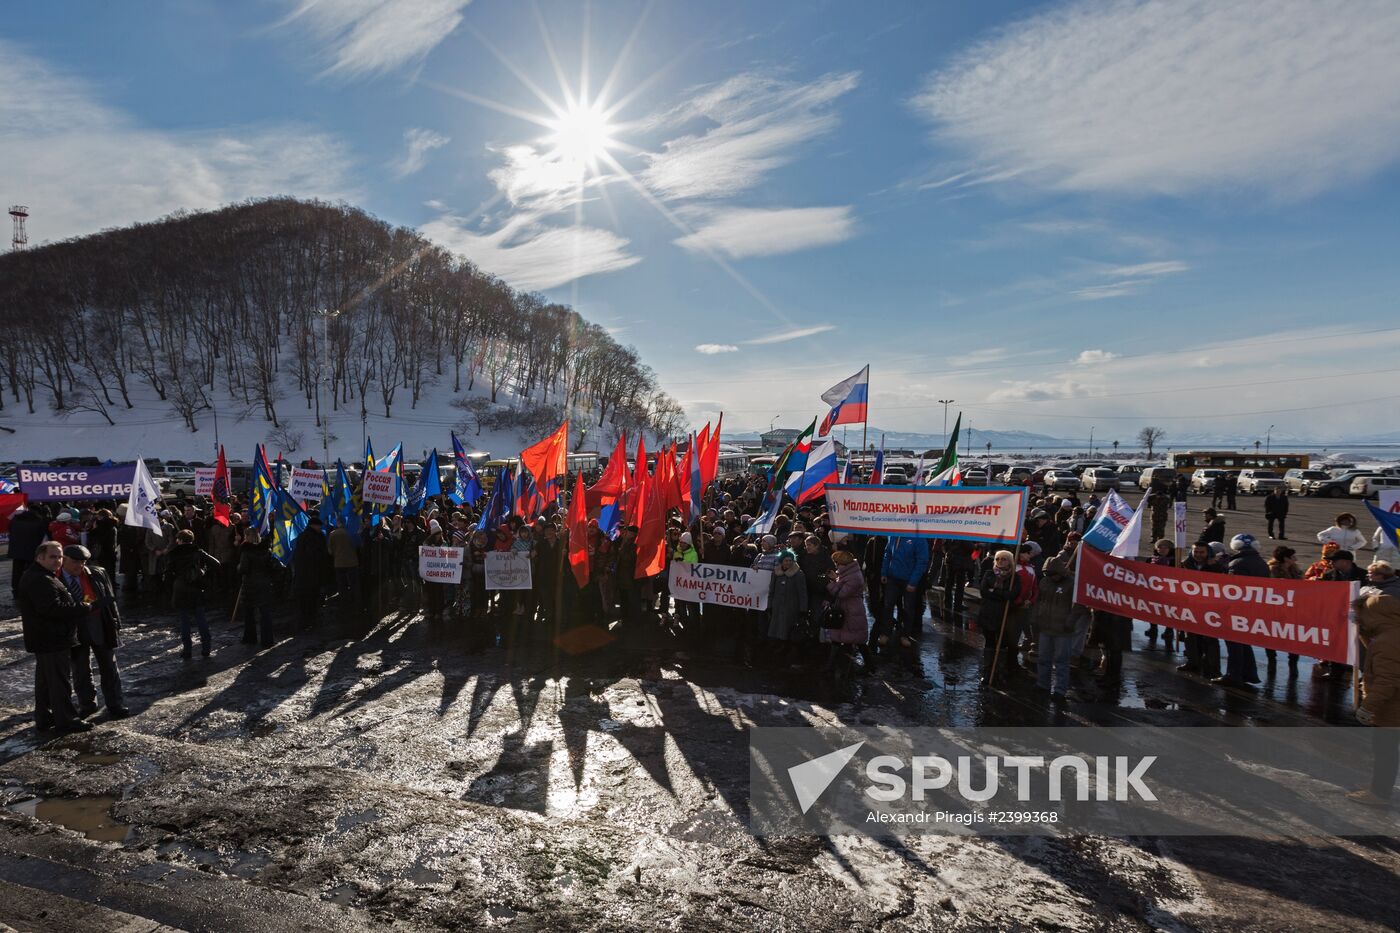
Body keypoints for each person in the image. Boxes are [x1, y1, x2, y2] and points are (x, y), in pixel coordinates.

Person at [18, 542, 93, 733]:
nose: (58, 561)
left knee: (46, 682)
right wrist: (82, 608)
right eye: (53, 556)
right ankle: (66, 719)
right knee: (59, 682)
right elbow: (52, 609)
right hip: (52, 639)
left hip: (47, 638)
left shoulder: (42, 575)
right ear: (39, 557)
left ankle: (45, 717)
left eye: (60, 557)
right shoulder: (40, 578)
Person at [1349, 561, 1400, 806]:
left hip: (1392, 708)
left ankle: (1379, 794)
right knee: (1384, 751)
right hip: (1392, 707)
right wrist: (1361, 629)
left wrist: (1369, 706)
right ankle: (1379, 786)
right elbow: (1376, 652)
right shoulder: (1390, 632)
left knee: (1385, 751)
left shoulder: (1389, 640)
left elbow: (1387, 679)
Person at [60, 544, 128, 719]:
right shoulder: (56, 577)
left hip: (100, 625)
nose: (79, 566)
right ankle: (87, 704)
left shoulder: (97, 573)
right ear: (64, 560)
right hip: (74, 631)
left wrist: (116, 624)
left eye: (82, 562)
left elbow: (110, 601)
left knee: (109, 667)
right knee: (80, 670)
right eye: (75, 562)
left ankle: (115, 703)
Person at [1215, 534, 1265, 688]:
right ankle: (1249, 673)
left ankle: (1233, 674)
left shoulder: (1237, 564)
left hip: (1237, 609)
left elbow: (1233, 589)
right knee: (1243, 642)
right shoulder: (1261, 562)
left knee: (1234, 643)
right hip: (1253, 607)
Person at [1036, 540, 1079, 706]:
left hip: (1063, 630)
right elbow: (1039, 601)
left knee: (1061, 662)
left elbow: (1077, 607)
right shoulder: (1045, 582)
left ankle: (1060, 690)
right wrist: (1036, 619)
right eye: (1048, 574)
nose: (1051, 577)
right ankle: (1042, 684)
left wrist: (1070, 622)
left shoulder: (1071, 583)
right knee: (1043, 658)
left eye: (1053, 574)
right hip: (1046, 627)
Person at [167, 529, 219, 659]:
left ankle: (187, 650)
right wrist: (204, 572)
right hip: (196, 587)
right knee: (201, 619)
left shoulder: (173, 554)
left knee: (184, 621)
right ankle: (206, 648)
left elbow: (167, 573)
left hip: (180, 588)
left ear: (180, 540)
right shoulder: (198, 552)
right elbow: (216, 564)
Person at [977, 550, 1022, 688]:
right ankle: (988, 672)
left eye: (1004, 559)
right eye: (998, 559)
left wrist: (994, 591)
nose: (1000, 561)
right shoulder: (989, 574)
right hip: (988, 614)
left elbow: (1012, 594)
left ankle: (1000, 672)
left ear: (1010, 561)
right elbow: (984, 591)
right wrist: (1001, 594)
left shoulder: (1015, 577)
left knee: (1002, 644)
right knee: (989, 643)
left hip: (1005, 616)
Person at [1178, 542, 1223, 678]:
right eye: (1195, 552)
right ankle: (1193, 662)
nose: (1198, 555)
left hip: (1210, 606)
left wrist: (1212, 566)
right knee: (1190, 636)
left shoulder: (1216, 566)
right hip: (1190, 605)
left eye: (1201, 552)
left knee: (1210, 638)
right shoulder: (1185, 564)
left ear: (1207, 552)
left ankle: (1213, 667)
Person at [238, 530, 280, 647]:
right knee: (265, 613)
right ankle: (267, 640)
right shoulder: (267, 550)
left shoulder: (246, 551)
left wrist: (239, 567)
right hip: (264, 583)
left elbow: (243, 569)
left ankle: (250, 638)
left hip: (250, 584)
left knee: (249, 613)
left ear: (247, 537)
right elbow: (272, 567)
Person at [1266, 545, 1303, 675]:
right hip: (1275, 608)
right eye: (1293, 557)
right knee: (1271, 634)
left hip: (1293, 608)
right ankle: (1272, 660)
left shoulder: (1295, 570)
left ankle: (1293, 662)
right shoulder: (1272, 570)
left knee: (1294, 635)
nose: (1296, 559)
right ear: (1286, 558)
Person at [291, 515, 330, 629]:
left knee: (307, 599)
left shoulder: (305, 536)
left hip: (305, 574)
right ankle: (309, 621)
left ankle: (306, 620)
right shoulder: (313, 537)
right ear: (314, 525)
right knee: (310, 599)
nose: (320, 528)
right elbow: (313, 556)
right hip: (311, 573)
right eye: (319, 526)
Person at [7, 504, 50, 600]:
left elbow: (10, 529)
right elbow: (43, 537)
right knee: (32, 572)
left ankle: (16, 591)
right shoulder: (40, 521)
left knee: (17, 571)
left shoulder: (15, 519)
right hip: (32, 551)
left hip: (16, 550)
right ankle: (31, 591)